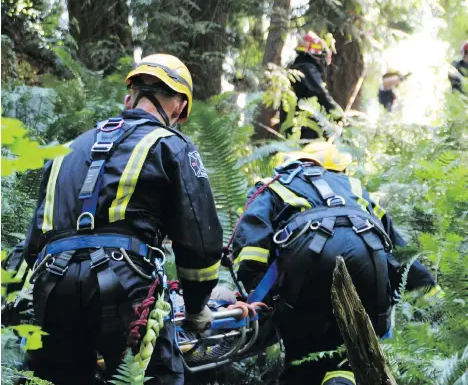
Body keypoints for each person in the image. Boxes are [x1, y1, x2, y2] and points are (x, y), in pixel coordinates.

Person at [22, 53, 223, 385]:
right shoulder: (171, 145)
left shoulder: (65, 151)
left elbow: (35, 241)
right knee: (152, 376)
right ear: (178, 107)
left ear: (128, 97)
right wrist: (198, 305)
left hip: (52, 285)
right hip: (125, 284)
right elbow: (199, 239)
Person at [232, 142, 436, 385]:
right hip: (371, 259)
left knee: (304, 356)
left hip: (310, 263)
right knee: (346, 353)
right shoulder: (354, 188)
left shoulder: (271, 185)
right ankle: (341, 376)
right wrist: (432, 295)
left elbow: (251, 249)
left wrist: (257, 297)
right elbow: (400, 251)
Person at [280, 31, 344, 140]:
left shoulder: (296, 67)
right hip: (303, 126)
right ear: (317, 55)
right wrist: (338, 114)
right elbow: (321, 93)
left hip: (294, 124)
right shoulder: (307, 68)